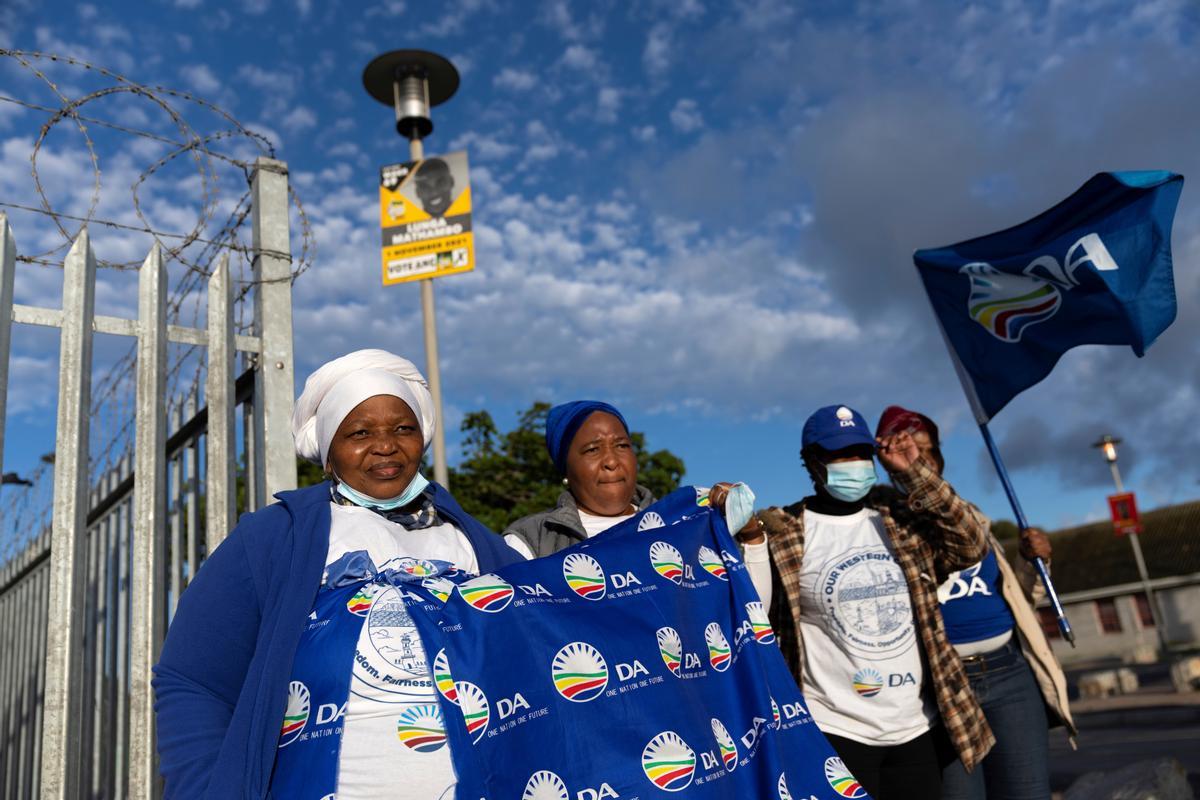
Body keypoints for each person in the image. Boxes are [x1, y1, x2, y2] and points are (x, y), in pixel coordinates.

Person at [153, 349, 521, 800]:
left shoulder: (474, 543)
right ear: (329, 455)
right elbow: (194, 681)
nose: (385, 445)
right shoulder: (275, 538)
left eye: (402, 429)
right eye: (360, 433)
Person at [759, 404, 994, 799]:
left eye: (860, 452)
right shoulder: (786, 532)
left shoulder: (900, 515)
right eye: (839, 454)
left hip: (917, 726)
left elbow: (971, 546)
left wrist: (913, 473)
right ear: (812, 462)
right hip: (836, 728)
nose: (854, 463)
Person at [874, 406, 1075, 800]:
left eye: (928, 450)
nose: (921, 459)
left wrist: (1035, 562)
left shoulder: (973, 517)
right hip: (942, 686)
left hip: (1010, 673)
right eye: (908, 450)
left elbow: (1020, 598)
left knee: (1027, 791)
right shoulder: (885, 526)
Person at [501, 400, 772, 604]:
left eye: (621, 445)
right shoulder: (531, 542)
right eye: (592, 450)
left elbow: (751, 614)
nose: (611, 461)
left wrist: (751, 535)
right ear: (565, 469)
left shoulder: (681, 527)